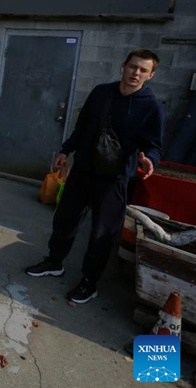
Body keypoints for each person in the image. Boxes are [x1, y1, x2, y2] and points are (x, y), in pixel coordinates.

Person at [24, 49, 166, 304]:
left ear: (151, 75)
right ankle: (54, 262)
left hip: (114, 178)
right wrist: (66, 150)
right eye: (133, 66)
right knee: (65, 220)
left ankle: (90, 282)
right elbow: (82, 127)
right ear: (123, 66)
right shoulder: (101, 93)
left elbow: (154, 145)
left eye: (143, 70)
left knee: (103, 232)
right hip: (83, 170)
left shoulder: (151, 107)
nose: (136, 73)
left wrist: (150, 161)